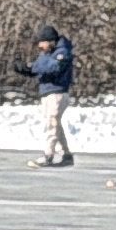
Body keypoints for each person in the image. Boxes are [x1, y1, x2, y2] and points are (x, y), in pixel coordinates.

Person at [27, 25, 77, 166]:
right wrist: (27, 69)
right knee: (55, 124)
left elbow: (53, 67)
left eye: (42, 42)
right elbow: (39, 67)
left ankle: (48, 155)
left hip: (58, 93)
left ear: (50, 41)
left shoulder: (63, 51)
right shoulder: (47, 53)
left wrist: (34, 67)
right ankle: (66, 155)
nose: (40, 46)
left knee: (52, 123)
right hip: (47, 92)